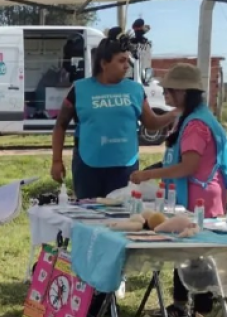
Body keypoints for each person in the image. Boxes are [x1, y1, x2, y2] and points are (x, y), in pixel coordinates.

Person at [130, 63, 226, 317]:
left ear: (186, 92)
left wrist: (150, 175)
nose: (167, 95)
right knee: (186, 252)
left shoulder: (195, 125)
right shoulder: (191, 117)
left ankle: (196, 312)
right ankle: (185, 307)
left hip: (199, 200)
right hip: (196, 197)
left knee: (194, 255)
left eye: (171, 90)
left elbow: (188, 166)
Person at [51, 27, 177, 199]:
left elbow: (151, 123)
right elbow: (60, 125)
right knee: (88, 215)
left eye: (128, 61)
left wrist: (174, 114)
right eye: (121, 61)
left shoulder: (135, 90)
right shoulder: (80, 89)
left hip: (124, 167)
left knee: (121, 217)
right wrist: (57, 161)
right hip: (88, 167)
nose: (127, 66)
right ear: (104, 63)